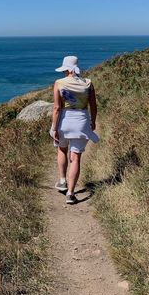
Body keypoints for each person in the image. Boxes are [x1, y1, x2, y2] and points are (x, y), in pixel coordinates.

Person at [50, 56, 99, 204]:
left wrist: (54, 128)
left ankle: (63, 180)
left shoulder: (59, 83)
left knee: (62, 149)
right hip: (82, 121)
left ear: (67, 69)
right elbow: (93, 105)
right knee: (76, 157)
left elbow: (57, 108)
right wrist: (93, 121)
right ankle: (70, 194)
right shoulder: (88, 83)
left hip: (64, 121)